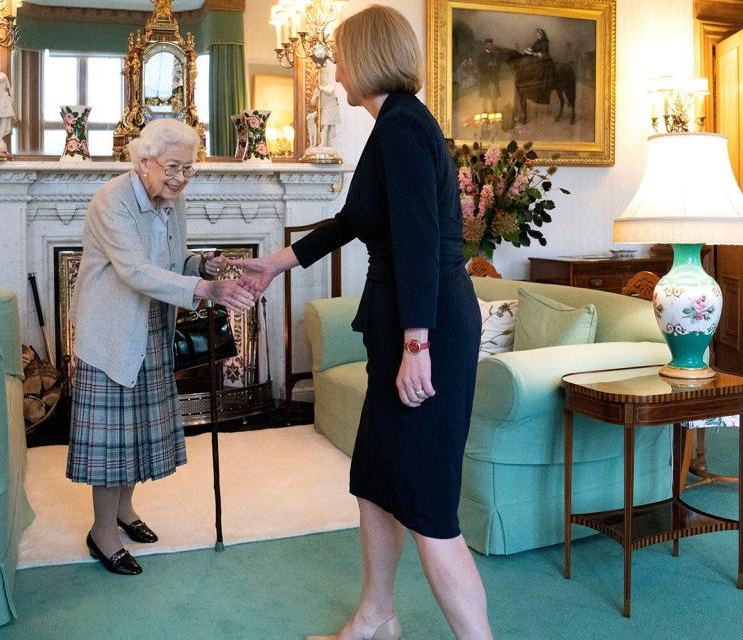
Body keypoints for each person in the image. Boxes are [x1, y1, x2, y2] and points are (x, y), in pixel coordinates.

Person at [232, 6, 492, 639]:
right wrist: (277, 263)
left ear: (369, 58)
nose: (335, 66)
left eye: (341, 55)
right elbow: (354, 221)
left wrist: (417, 345)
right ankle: (374, 621)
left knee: (429, 507)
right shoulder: (392, 126)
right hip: (402, 325)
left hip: (425, 328)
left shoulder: (403, 128)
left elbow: (420, 241)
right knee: (375, 479)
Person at [67, 118, 255, 575]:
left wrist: (202, 265)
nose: (179, 177)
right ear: (144, 161)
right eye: (173, 166)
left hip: (151, 324)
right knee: (112, 440)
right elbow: (134, 271)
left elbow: (170, 261)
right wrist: (205, 291)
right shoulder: (112, 201)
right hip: (111, 331)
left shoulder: (173, 203)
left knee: (137, 432)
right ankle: (102, 532)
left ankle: (124, 512)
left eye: (188, 169)